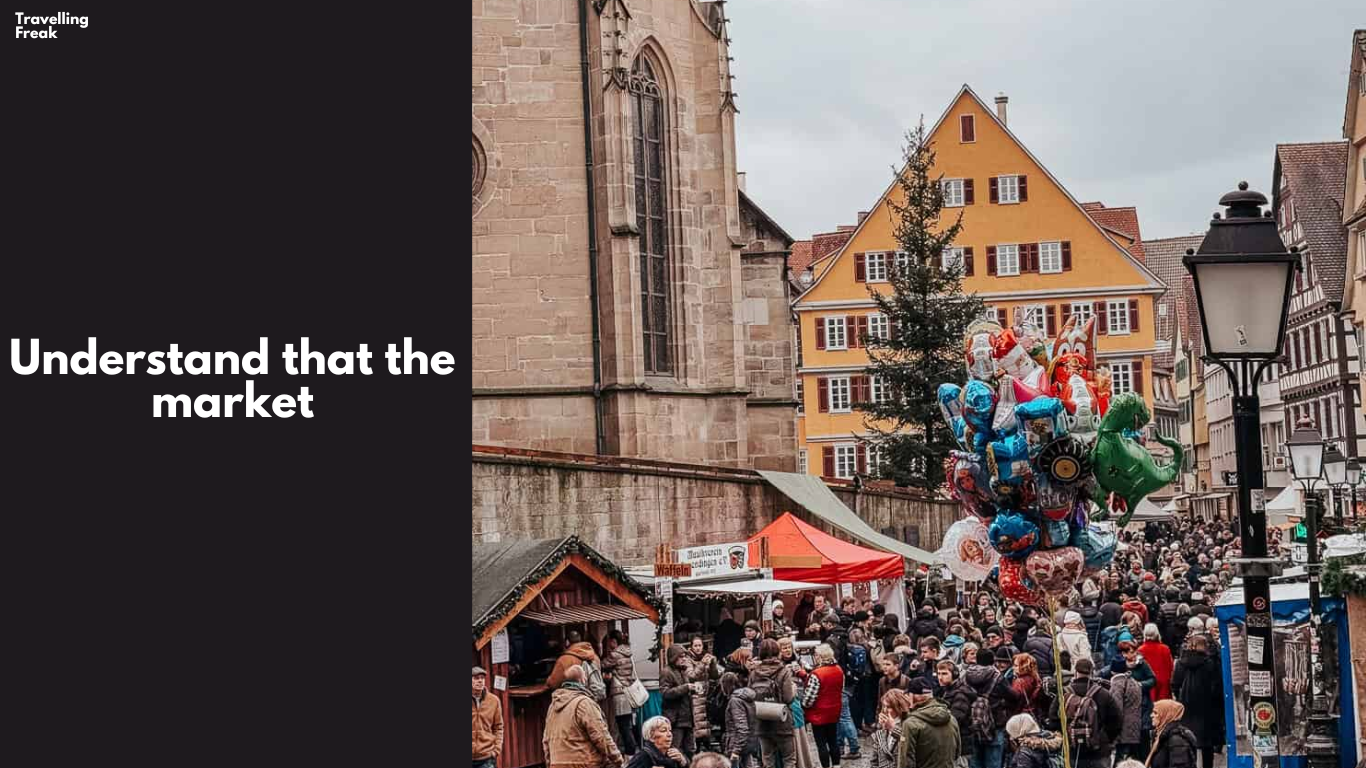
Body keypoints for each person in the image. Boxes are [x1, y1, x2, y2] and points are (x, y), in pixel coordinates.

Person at [544, 664, 625, 768]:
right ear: (583, 680)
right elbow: (601, 737)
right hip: (584, 763)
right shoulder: (584, 703)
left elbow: (546, 741)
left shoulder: (552, 707)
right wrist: (618, 759)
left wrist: (550, 763)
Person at [1169, 635, 1224, 768]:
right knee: (1207, 746)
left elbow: (1175, 684)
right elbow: (1217, 686)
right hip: (1206, 708)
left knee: (1189, 739)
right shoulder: (1210, 663)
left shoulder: (1181, 663)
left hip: (1187, 706)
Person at [1061, 658, 1121, 768]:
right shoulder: (1104, 694)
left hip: (1072, 750)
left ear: (1075, 672)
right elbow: (1116, 721)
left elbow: (1053, 719)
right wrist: (1106, 738)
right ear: (1092, 672)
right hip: (1098, 751)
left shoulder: (1064, 693)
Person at [750, 638, 799, 768]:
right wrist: (793, 690)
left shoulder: (754, 673)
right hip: (782, 720)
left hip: (762, 720)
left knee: (768, 760)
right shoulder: (783, 671)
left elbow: (750, 695)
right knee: (789, 759)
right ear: (778, 652)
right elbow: (788, 698)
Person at [896, 677, 961, 768]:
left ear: (915, 696)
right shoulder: (951, 718)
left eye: (909, 694)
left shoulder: (911, 724)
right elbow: (957, 753)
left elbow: (906, 761)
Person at [807, 644, 846, 768]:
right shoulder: (839, 670)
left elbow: (809, 699)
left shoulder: (817, 673)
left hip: (819, 713)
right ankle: (836, 765)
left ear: (819, 657)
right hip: (834, 711)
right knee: (833, 740)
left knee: (821, 743)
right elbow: (841, 688)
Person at [604, 630, 640, 756]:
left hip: (619, 693)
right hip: (628, 691)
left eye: (609, 642)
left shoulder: (615, 655)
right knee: (628, 723)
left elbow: (602, 665)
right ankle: (633, 749)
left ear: (614, 641)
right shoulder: (627, 653)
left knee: (623, 725)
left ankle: (630, 752)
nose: (608, 645)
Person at [662, 644, 700, 757]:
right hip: (676, 719)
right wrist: (686, 687)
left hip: (687, 718)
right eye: (681, 656)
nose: (684, 659)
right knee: (674, 750)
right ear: (674, 657)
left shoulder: (683, 671)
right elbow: (665, 693)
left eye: (685, 656)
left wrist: (693, 690)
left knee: (690, 750)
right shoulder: (666, 672)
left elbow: (683, 691)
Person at [685, 636, 721, 749]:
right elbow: (691, 676)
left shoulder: (706, 657)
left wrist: (713, 664)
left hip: (706, 695)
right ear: (691, 647)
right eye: (695, 645)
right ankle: (698, 744)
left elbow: (715, 676)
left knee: (706, 721)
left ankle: (706, 743)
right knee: (698, 722)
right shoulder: (687, 660)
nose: (698, 648)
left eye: (699, 645)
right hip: (695, 696)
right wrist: (701, 664)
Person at [936, 660, 977, 755]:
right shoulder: (947, 690)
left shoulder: (960, 694)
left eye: (944, 674)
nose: (940, 677)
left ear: (954, 674)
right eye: (938, 674)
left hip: (961, 744)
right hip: (954, 741)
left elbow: (955, 719)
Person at [721, 672, 758, 768]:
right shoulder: (746, 698)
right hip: (748, 743)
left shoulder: (735, 701)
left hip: (737, 745)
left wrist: (736, 750)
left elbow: (742, 727)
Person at [1144, 701, 1198, 768]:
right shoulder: (1160, 736)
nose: (1151, 715)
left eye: (1155, 713)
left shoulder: (1177, 740)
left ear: (1166, 715)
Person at [872, 690, 913, 768]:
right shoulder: (882, 727)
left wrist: (892, 728)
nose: (885, 710)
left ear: (899, 707)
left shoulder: (909, 724)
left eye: (888, 707)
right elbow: (875, 759)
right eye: (884, 706)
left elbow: (907, 742)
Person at [472, 666, 504, 768]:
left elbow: (498, 727)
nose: (480, 681)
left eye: (482, 678)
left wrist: (496, 749)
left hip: (487, 757)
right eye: (476, 678)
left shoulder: (494, 701)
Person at [1138, 624, 1173, 702]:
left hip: (1148, 684)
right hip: (1163, 684)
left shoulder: (1141, 650)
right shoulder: (1165, 649)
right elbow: (1170, 667)